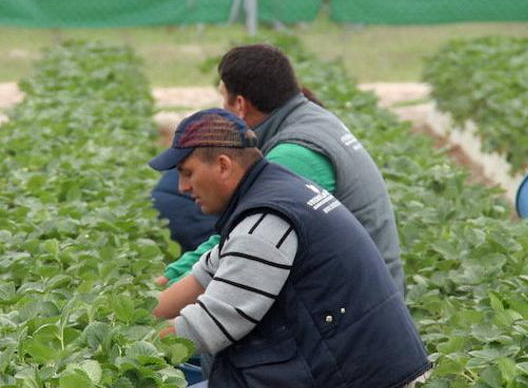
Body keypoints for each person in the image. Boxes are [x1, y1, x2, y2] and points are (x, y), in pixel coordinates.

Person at [151, 109, 430, 388]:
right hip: (347, 368)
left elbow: (212, 322)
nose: (181, 186)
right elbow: (201, 279)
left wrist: (130, 354)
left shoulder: (267, 218)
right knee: (203, 384)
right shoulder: (270, 194)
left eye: (187, 172)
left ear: (224, 165)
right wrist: (128, 316)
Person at [160, 45, 405, 295]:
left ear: (241, 105)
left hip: (359, 303)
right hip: (368, 289)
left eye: (224, 99)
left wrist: (165, 287)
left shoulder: (294, 156)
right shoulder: (311, 119)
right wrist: (174, 275)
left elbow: (241, 242)